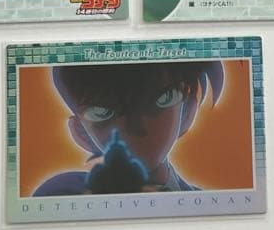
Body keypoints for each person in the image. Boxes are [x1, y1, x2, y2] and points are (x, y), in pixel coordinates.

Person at [33, 60, 224, 196]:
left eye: (164, 99)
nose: (136, 126)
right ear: (82, 133)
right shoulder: (62, 193)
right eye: (101, 112)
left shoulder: (208, 205)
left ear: (187, 112)